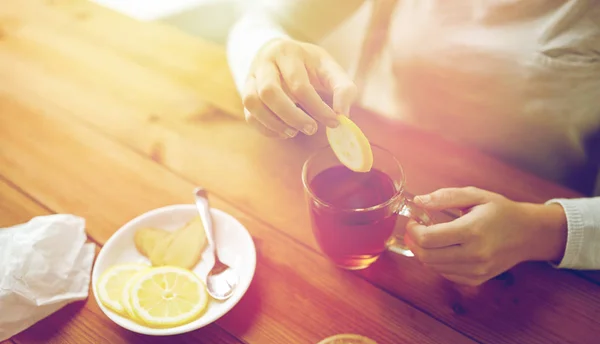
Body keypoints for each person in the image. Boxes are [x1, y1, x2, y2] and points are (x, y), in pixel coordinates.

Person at [226, 0, 600, 285]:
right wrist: (267, 55)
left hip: (535, 242)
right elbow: (262, 21)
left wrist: (545, 230)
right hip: (389, 156)